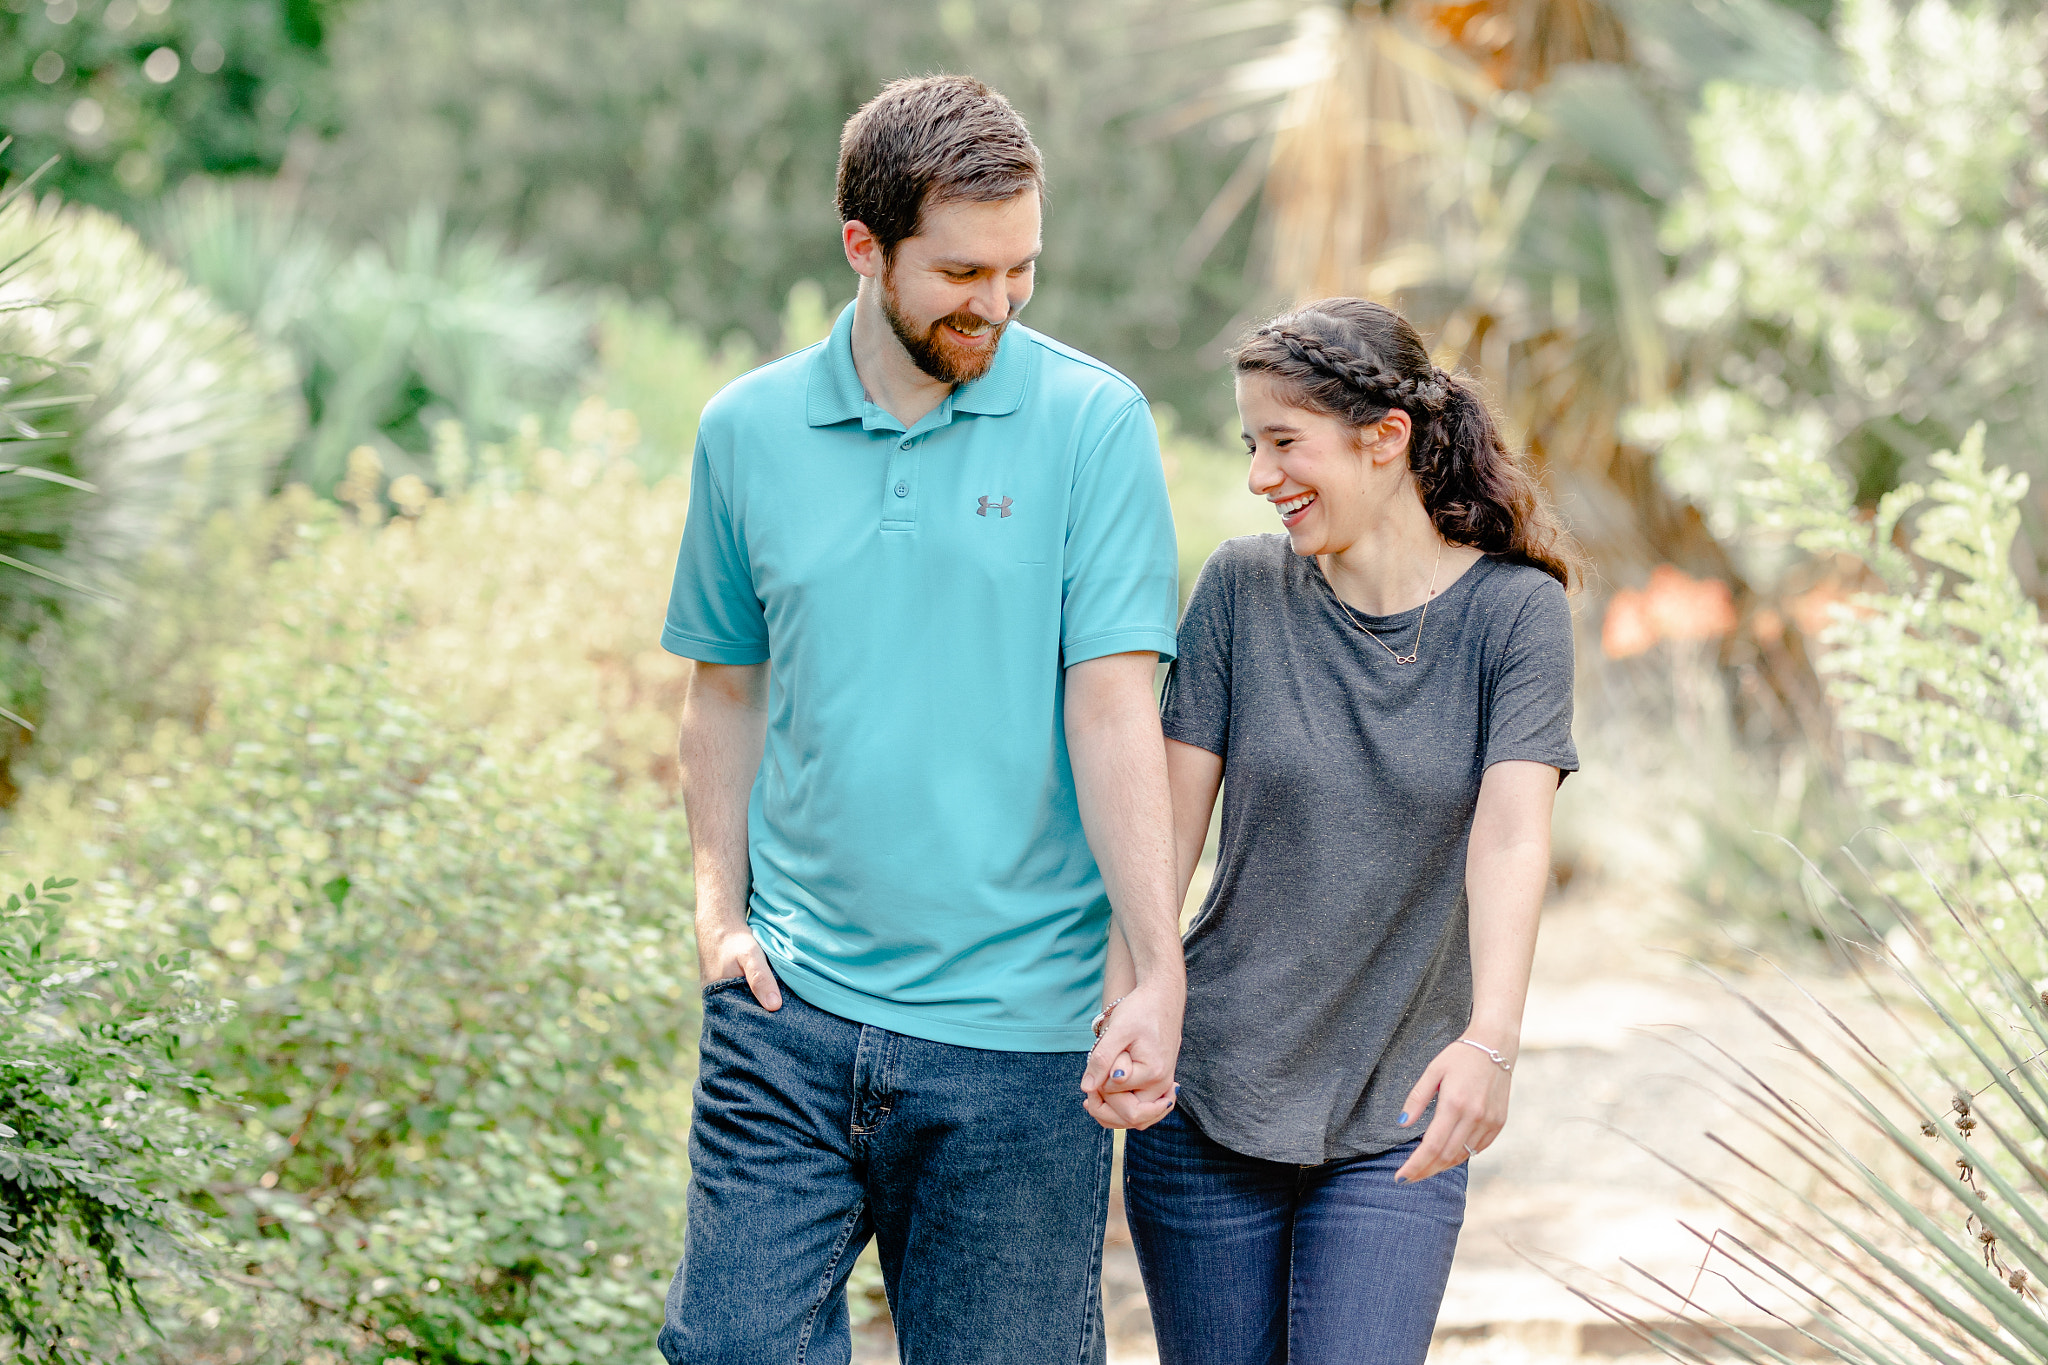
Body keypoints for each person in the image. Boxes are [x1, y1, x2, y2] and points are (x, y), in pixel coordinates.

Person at [654, 75, 1185, 1365]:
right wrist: (718, 915)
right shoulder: (747, 433)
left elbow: (1115, 710)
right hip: (790, 1016)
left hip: (1018, 1041)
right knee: (727, 1351)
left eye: (1021, 270)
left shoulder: (1091, 425)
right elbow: (723, 689)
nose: (994, 304)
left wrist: (1155, 968)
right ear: (863, 248)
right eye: (961, 272)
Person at [1118, 298, 1580, 1364]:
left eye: (1283, 442)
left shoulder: (1513, 615)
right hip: (1210, 1096)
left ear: (1385, 440)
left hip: (1397, 1110)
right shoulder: (1240, 588)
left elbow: (1510, 837)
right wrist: (1130, 997)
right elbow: (1164, 828)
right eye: (1250, 444)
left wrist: (1491, 1042)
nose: (1258, 474)